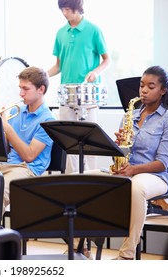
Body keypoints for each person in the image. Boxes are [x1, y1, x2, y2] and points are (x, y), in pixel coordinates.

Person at [98, 66, 168, 259]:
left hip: (155, 176)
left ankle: (127, 254)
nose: (143, 90)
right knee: (88, 178)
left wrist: (133, 170)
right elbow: (119, 156)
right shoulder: (130, 115)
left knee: (137, 188)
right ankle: (80, 245)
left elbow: (162, 163)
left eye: (150, 86)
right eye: (142, 85)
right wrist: (118, 147)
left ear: (163, 90)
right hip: (129, 171)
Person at [0, 66, 55, 232]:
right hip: (9, 166)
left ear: (41, 90)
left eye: (25, 89)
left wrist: (7, 128)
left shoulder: (48, 120)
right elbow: (6, 147)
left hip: (28, 170)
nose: (21, 94)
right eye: (20, 88)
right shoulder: (18, 112)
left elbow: (29, 156)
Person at [47, 0, 111, 173]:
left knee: (90, 139)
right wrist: (43, 75)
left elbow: (107, 60)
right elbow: (58, 66)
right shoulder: (61, 33)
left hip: (88, 94)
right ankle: (70, 179)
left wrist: (96, 72)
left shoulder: (93, 30)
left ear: (78, 8)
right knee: (67, 140)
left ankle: (91, 178)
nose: (65, 13)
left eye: (68, 9)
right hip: (66, 94)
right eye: (62, 9)